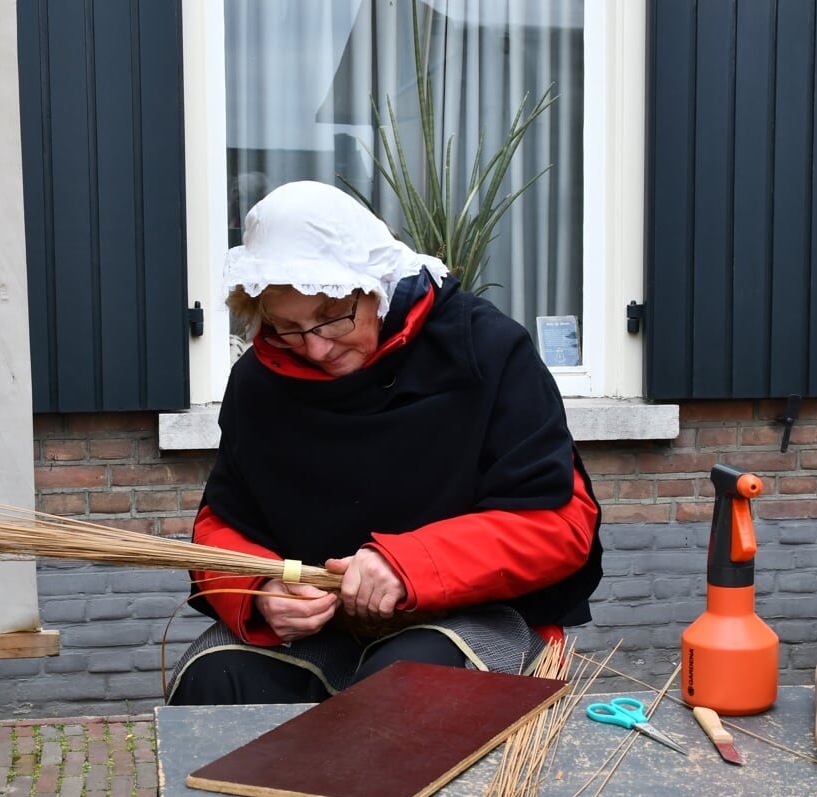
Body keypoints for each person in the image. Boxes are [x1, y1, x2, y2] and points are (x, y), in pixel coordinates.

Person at [167, 180, 603, 706]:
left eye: (332, 318)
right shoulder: (260, 381)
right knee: (216, 682)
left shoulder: (483, 350)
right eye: (287, 327)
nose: (316, 347)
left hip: (468, 618)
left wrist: (409, 564)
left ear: (373, 285)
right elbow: (219, 527)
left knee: (405, 690)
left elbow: (562, 524)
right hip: (316, 634)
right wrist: (259, 591)